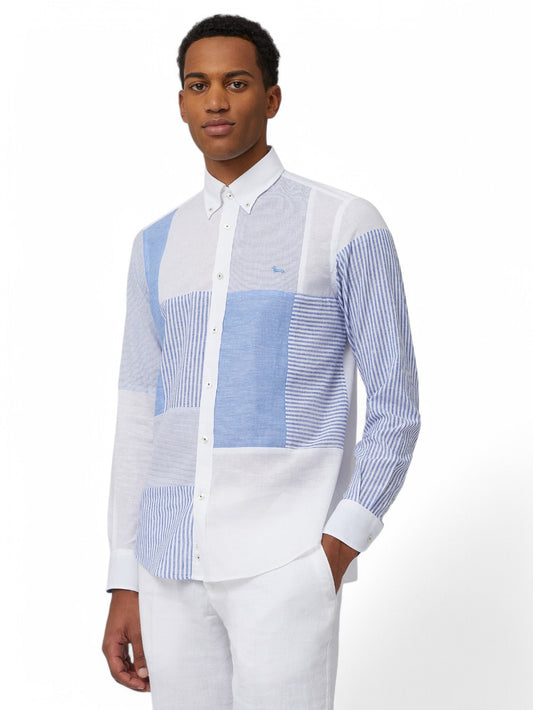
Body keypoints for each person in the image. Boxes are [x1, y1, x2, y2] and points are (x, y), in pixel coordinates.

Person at [102, 13, 421, 710]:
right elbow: (138, 414)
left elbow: (396, 406)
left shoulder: (343, 223)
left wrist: (337, 546)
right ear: (181, 102)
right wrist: (124, 577)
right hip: (167, 567)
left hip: (286, 562)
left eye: (237, 82)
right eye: (198, 85)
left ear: (271, 97)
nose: (216, 101)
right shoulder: (155, 244)